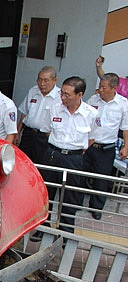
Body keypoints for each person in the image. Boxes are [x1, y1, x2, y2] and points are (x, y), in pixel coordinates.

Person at [34, 77, 99, 239]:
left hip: (74, 158)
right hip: (53, 154)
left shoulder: (91, 114)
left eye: (67, 95)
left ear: (80, 94)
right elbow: (47, 130)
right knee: (47, 193)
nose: (63, 97)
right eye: (62, 93)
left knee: (70, 196)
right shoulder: (55, 108)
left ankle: (65, 231)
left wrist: (74, 151)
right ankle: (43, 227)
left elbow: (92, 138)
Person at [84, 73, 128, 219]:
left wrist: (126, 147)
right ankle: (75, 203)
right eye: (100, 86)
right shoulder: (93, 99)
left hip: (106, 148)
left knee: (101, 180)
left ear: (114, 88)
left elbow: (126, 128)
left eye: (104, 87)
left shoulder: (122, 104)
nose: (100, 90)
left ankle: (96, 208)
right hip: (89, 145)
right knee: (80, 175)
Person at [16, 66, 61, 164]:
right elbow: (24, 113)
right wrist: (18, 133)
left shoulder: (60, 97)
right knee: (23, 162)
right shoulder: (33, 91)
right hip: (28, 134)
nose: (42, 84)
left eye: (46, 80)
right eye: (39, 80)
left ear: (55, 80)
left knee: (41, 165)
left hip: (44, 137)